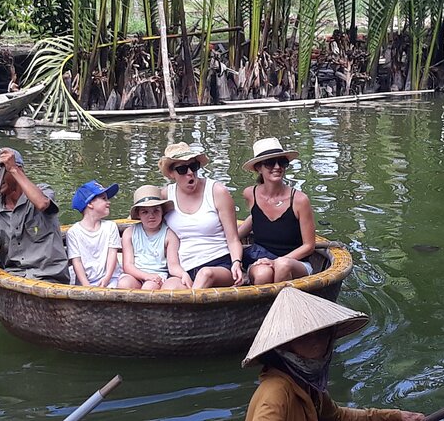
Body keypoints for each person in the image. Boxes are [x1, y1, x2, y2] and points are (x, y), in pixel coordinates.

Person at [242, 287, 425, 421]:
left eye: (321, 333)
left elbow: (337, 416)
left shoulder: (309, 384)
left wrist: (395, 417)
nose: (316, 341)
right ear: (285, 345)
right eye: (304, 336)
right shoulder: (275, 393)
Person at [0, 147, 70, 284]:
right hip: (14, 275)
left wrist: (13, 168)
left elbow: (42, 204)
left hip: (48, 275)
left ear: (18, 170)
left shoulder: (42, 191)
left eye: (1, 173)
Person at [158, 142, 243, 289]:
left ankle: (191, 305)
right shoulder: (166, 195)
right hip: (184, 269)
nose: (190, 173)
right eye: (182, 169)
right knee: (168, 288)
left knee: (205, 274)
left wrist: (236, 262)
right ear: (172, 174)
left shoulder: (217, 191)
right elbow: (143, 215)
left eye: (194, 167)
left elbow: (233, 239)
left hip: (219, 264)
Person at [238, 137, 316, 285]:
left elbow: (309, 246)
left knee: (282, 266)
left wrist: (277, 261)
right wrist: (231, 237)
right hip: (260, 257)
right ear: (258, 168)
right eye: (269, 163)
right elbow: (256, 218)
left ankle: (283, 307)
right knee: (262, 274)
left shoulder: (300, 200)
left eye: (282, 162)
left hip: (296, 262)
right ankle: (264, 308)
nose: (277, 167)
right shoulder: (250, 194)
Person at [117, 185, 186, 290]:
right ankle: (125, 307)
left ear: (162, 211)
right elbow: (128, 265)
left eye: (156, 210)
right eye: (145, 212)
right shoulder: (130, 233)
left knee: (149, 287)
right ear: (138, 214)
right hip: (135, 274)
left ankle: (147, 307)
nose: (151, 216)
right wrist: (146, 276)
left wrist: (183, 274)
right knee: (124, 284)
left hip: (158, 276)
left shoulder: (169, 235)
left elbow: (173, 265)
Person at [66, 180, 122, 287]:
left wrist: (107, 278)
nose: (108, 202)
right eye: (104, 198)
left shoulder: (110, 227)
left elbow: (112, 254)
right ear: (90, 203)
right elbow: (76, 262)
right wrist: (86, 285)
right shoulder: (73, 232)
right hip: (85, 282)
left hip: (111, 279)